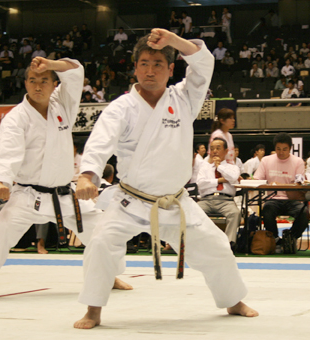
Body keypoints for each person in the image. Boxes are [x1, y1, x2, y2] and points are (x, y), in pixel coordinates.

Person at [73, 29, 257, 329]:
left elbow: (204, 64)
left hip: (175, 201)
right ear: (135, 68)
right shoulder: (121, 107)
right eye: (144, 63)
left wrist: (174, 41)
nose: (150, 70)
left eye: (158, 64)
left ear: (171, 69)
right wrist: (86, 175)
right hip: (131, 200)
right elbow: (99, 143)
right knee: (101, 244)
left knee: (217, 247)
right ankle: (93, 310)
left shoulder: (184, 98)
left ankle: (233, 300)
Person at [0, 56, 131, 300]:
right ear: (25, 83)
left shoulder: (63, 104)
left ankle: (109, 275)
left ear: (54, 84)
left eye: (44, 81)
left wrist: (51, 65)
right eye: (32, 80)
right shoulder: (16, 117)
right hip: (28, 194)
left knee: (103, 229)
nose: (38, 86)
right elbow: (7, 151)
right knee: (1, 229)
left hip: (63, 194)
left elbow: (76, 70)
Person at [253, 132, 308, 252]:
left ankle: (290, 238)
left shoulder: (298, 162)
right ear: (274, 148)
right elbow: (257, 180)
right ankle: (276, 239)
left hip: (291, 199)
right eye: (278, 149)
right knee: (267, 209)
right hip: (273, 199)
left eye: (284, 149)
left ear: (290, 148)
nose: (281, 152)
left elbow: (299, 183)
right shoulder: (266, 161)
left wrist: (281, 185)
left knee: (304, 212)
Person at [197, 138, 241, 246]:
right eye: (212, 149)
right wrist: (219, 180)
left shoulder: (233, 167)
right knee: (192, 212)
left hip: (226, 200)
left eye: (218, 148)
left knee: (235, 213)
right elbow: (200, 183)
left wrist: (219, 167)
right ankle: (200, 243)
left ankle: (228, 243)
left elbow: (232, 177)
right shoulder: (204, 167)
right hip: (206, 200)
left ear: (226, 151)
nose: (214, 151)